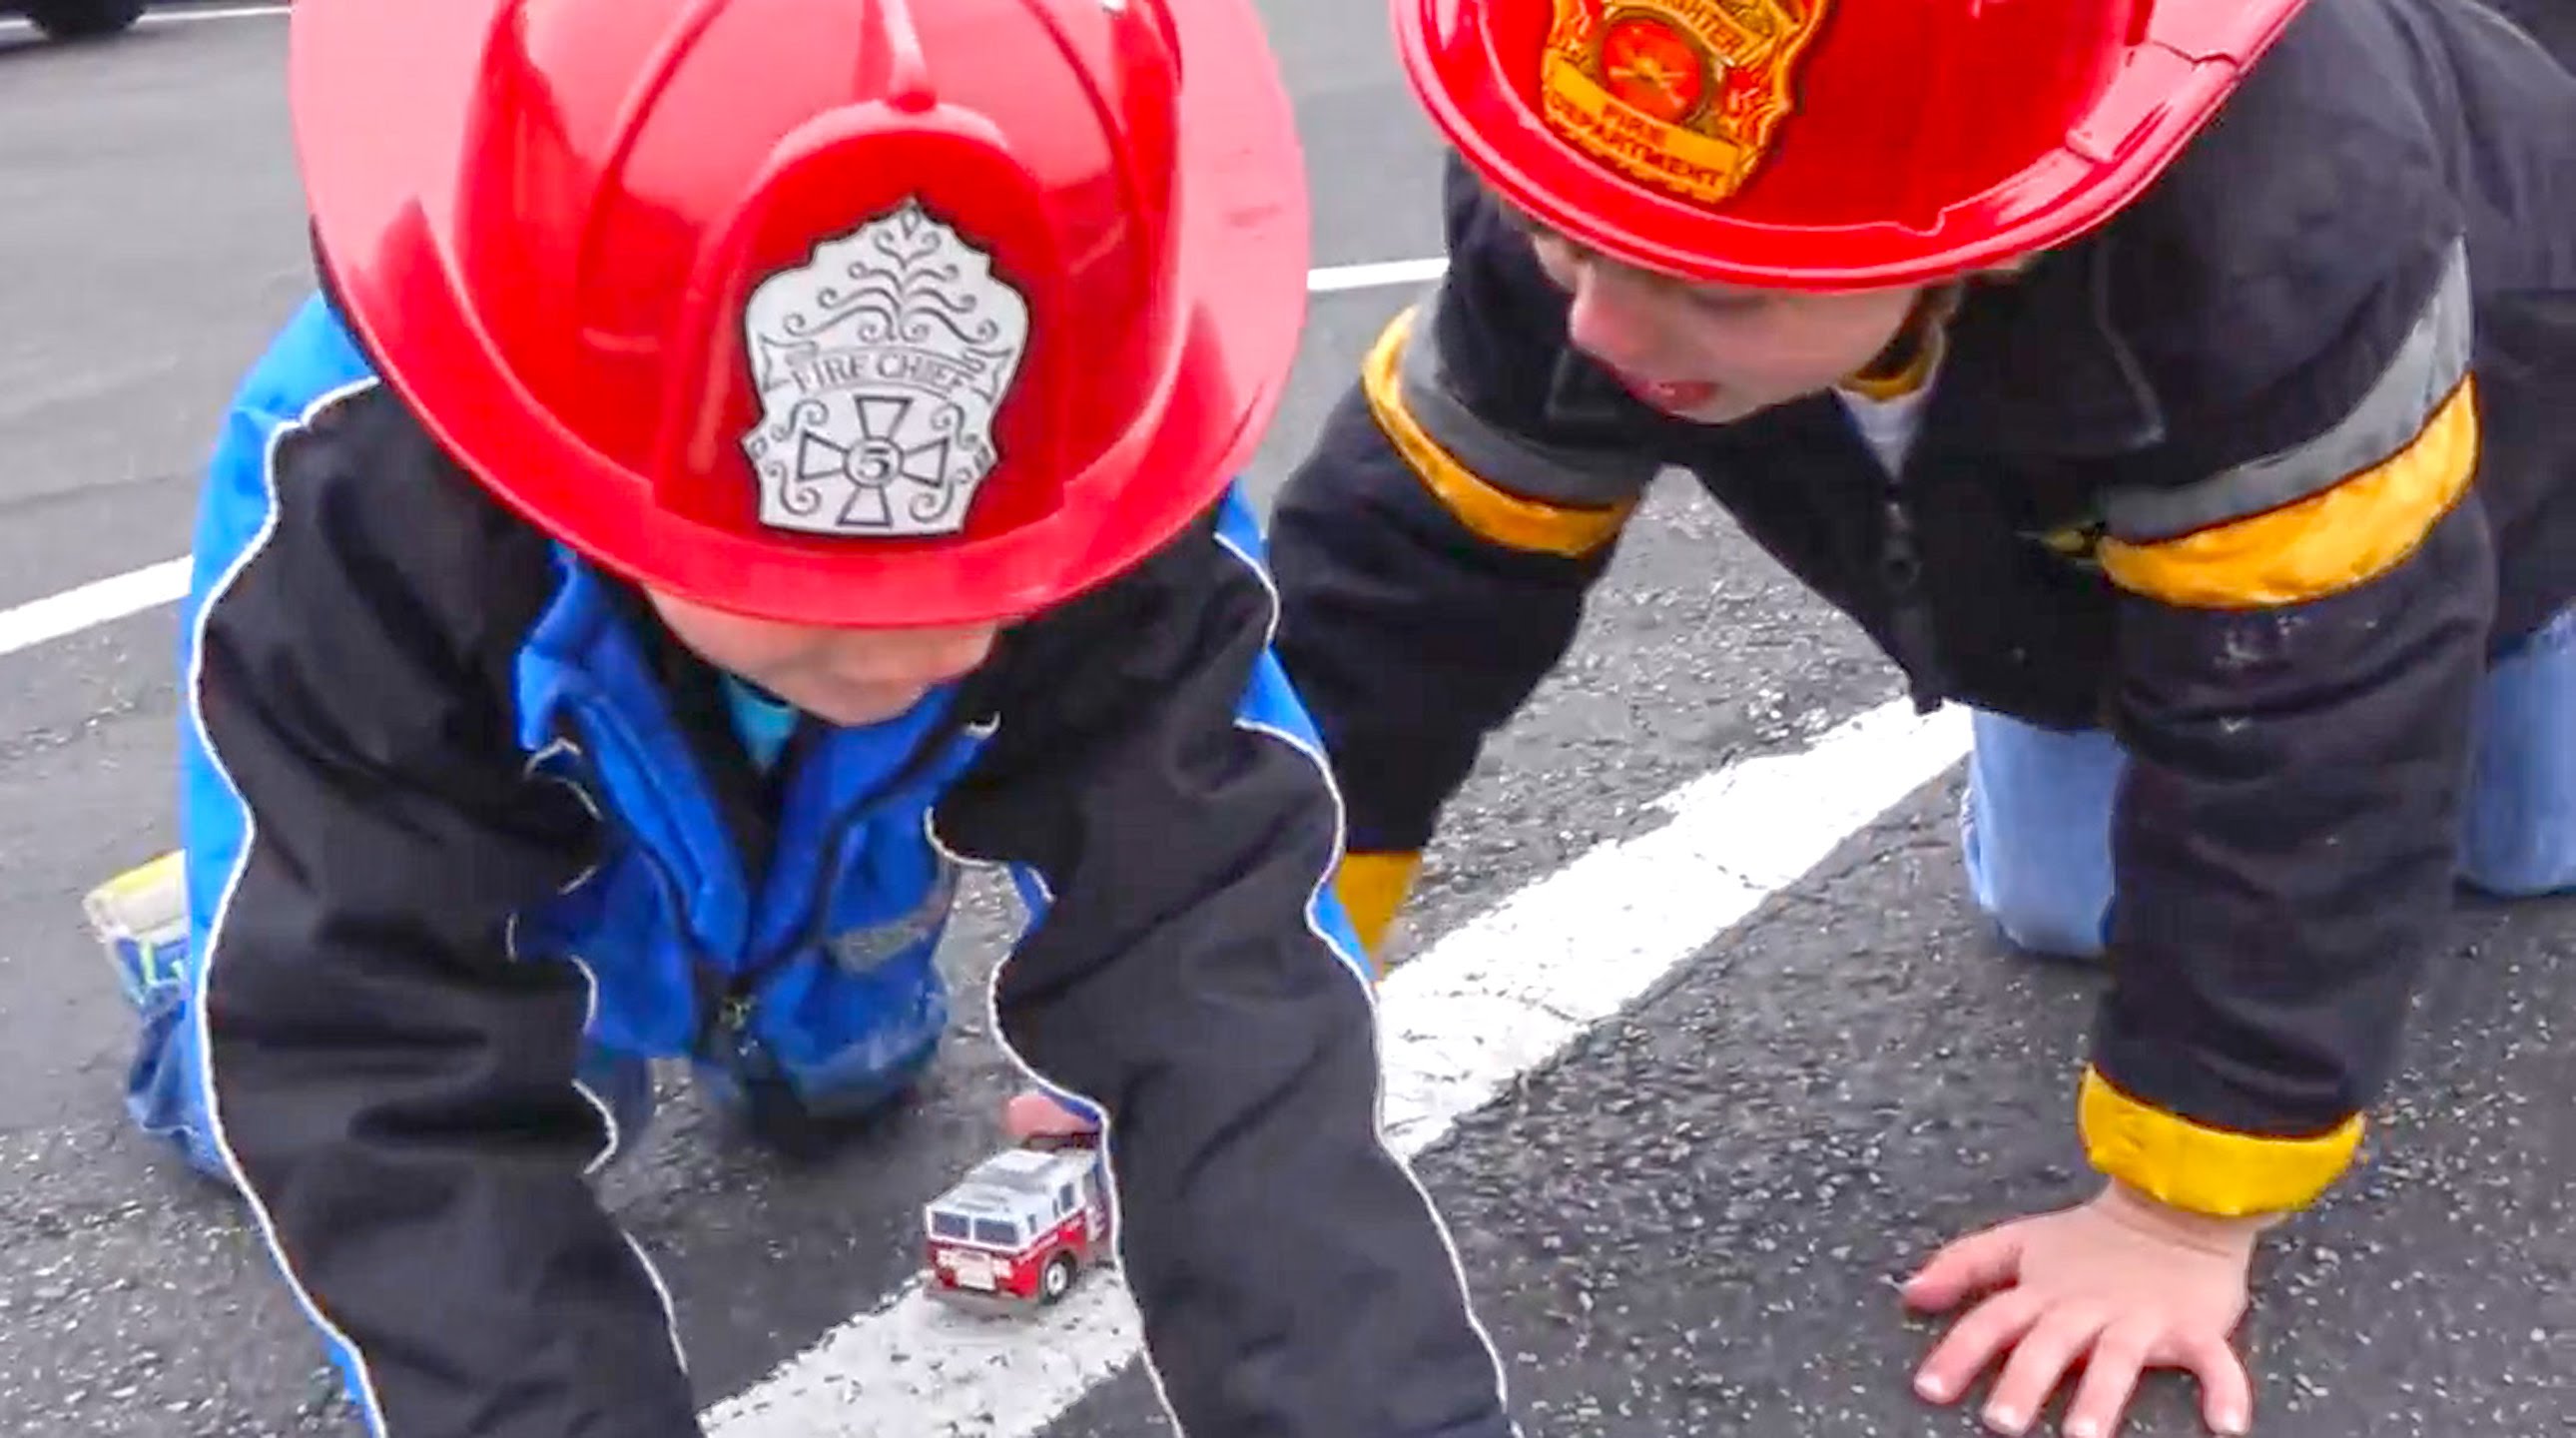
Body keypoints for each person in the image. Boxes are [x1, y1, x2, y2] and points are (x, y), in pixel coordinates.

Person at [79, 0, 1520, 1434]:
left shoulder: (1102, 450)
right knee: (297, 1091)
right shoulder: (362, 498)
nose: (933, 644)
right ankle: (197, 952)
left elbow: (1222, 984)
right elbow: (380, 1073)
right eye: (826, 593)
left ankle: (788, 962)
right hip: (513, 839)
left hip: (826, 828)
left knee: (834, 1080)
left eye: (995, 582)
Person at [1261, 0, 2576, 1435]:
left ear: (1994, 235)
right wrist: (1235, 969)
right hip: (2078, 525)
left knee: (2510, 836)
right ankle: (2128, 614)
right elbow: (1398, 590)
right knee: (2068, 908)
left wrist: (2178, 1223)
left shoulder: (2273, 240)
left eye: (1722, 291)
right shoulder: (1601, 158)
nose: (1603, 329)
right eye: (1568, 245)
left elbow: (2319, 721)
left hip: (2510, 454)